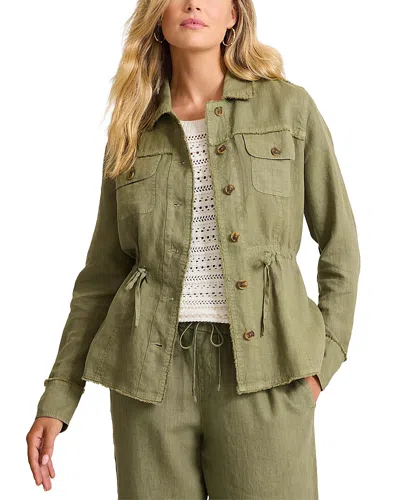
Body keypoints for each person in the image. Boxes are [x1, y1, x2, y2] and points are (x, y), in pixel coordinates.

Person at [26, 0, 361, 498]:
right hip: (148, 382)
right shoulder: (133, 127)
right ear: (157, 16)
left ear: (234, 15)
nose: (193, 3)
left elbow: (340, 243)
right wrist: (58, 397)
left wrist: (322, 362)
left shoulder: (289, 108)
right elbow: (102, 275)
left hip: (267, 372)